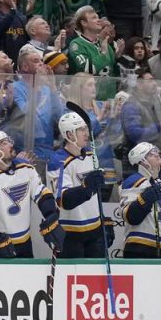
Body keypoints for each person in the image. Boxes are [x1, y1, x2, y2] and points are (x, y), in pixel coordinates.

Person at [0, 130, 62, 258]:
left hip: (24, 242)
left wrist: (51, 217)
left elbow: (42, 194)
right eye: (3, 143)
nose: (10, 144)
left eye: (8, 141)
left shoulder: (25, 167)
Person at [47, 111, 111, 259]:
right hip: (70, 234)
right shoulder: (57, 161)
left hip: (95, 231)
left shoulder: (90, 155)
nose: (86, 133)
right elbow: (64, 201)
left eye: (86, 129)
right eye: (81, 130)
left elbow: (95, 196)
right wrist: (86, 187)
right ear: (69, 135)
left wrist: (103, 219)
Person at [120, 141, 161, 258]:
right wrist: (145, 199)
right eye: (151, 154)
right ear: (142, 161)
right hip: (139, 247)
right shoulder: (133, 182)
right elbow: (129, 217)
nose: (157, 154)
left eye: (155, 152)